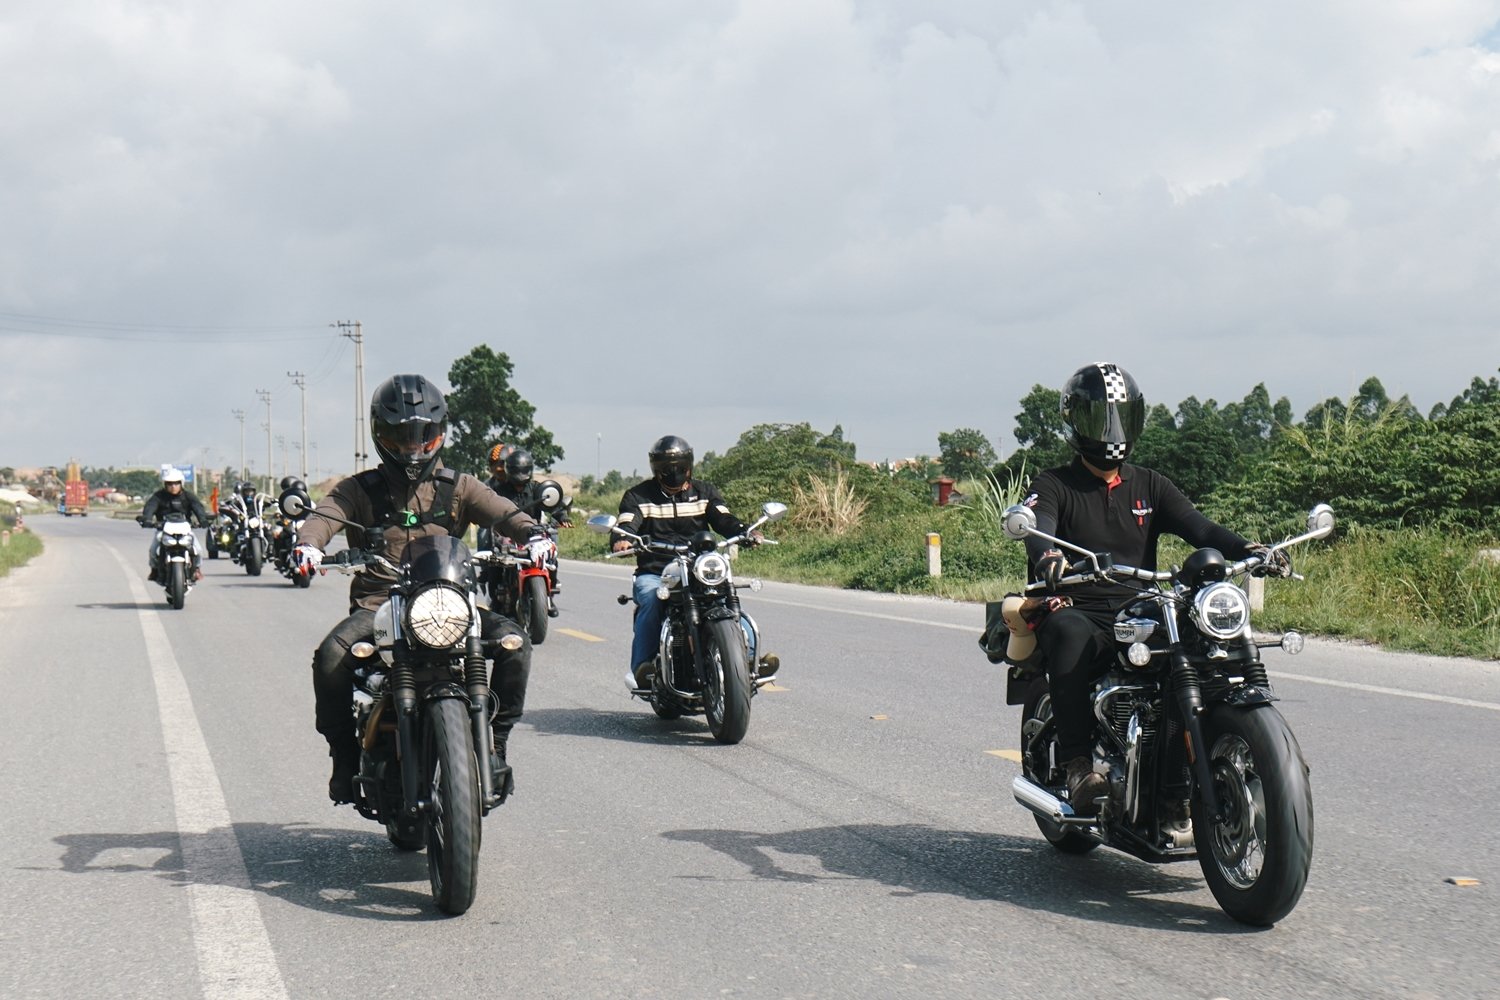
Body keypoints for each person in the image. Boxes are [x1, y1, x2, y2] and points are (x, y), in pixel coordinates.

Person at [1020, 362, 1289, 814]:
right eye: (1100, 418)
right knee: (1068, 632)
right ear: (1075, 421)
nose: (1112, 430)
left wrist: (1251, 549)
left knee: (1201, 644)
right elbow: (1038, 525)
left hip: (1141, 606)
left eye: (1120, 416)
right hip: (1081, 604)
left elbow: (1200, 527)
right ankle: (1077, 765)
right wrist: (1048, 556)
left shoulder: (1149, 484)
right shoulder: (1054, 485)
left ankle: (1201, 765)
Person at [292, 374, 550, 804]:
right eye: (401, 436)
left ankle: (497, 743)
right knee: (330, 657)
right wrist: (308, 544)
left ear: (439, 433)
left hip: (448, 601)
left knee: (514, 643)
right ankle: (344, 756)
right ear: (381, 435)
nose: (412, 447)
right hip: (381, 604)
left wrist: (533, 533)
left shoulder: (460, 486)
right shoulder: (360, 489)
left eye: (422, 436)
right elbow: (325, 515)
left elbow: (504, 512)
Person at [610, 435, 762, 690]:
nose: (674, 473)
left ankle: (747, 659)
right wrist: (622, 540)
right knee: (652, 600)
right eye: (667, 468)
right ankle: (643, 668)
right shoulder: (638, 496)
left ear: (689, 466)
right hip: (656, 571)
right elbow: (626, 522)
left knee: (725, 598)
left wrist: (745, 532)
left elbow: (724, 518)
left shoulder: (705, 493)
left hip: (698, 569)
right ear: (656, 469)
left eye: (679, 467)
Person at [140, 468, 211, 581]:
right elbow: (150, 507)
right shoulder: (158, 496)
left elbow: (198, 508)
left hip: (185, 529)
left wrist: (203, 520)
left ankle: (196, 569)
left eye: (176, 483)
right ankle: (154, 570)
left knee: (198, 550)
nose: (173, 486)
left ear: (181, 483)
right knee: (153, 550)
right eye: (170, 484)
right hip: (163, 530)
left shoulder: (188, 496)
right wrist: (147, 519)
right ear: (165, 484)